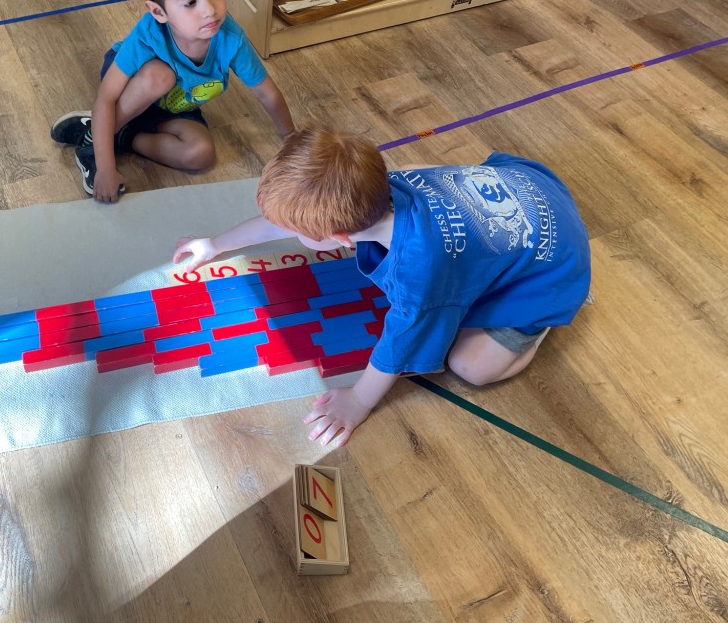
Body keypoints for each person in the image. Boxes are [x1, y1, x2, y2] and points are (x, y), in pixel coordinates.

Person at [173, 128, 591, 447]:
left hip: (552, 269)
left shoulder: (418, 270)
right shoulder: (375, 186)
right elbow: (277, 223)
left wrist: (358, 401)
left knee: (471, 368)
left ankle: (541, 322)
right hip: (531, 189)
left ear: (338, 239)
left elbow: (401, 342)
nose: (283, 231)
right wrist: (215, 244)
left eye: (296, 231)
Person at [50, 0, 295, 202]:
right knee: (160, 76)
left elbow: (266, 92)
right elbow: (106, 97)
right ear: (158, 12)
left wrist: (290, 137)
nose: (210, 10)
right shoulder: (147, 35)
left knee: (201, 154)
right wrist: (105, 168)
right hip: (133, 91)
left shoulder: (231, 39)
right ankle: (91, 143)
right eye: (190, 2)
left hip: (171, 107)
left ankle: (119, 135)